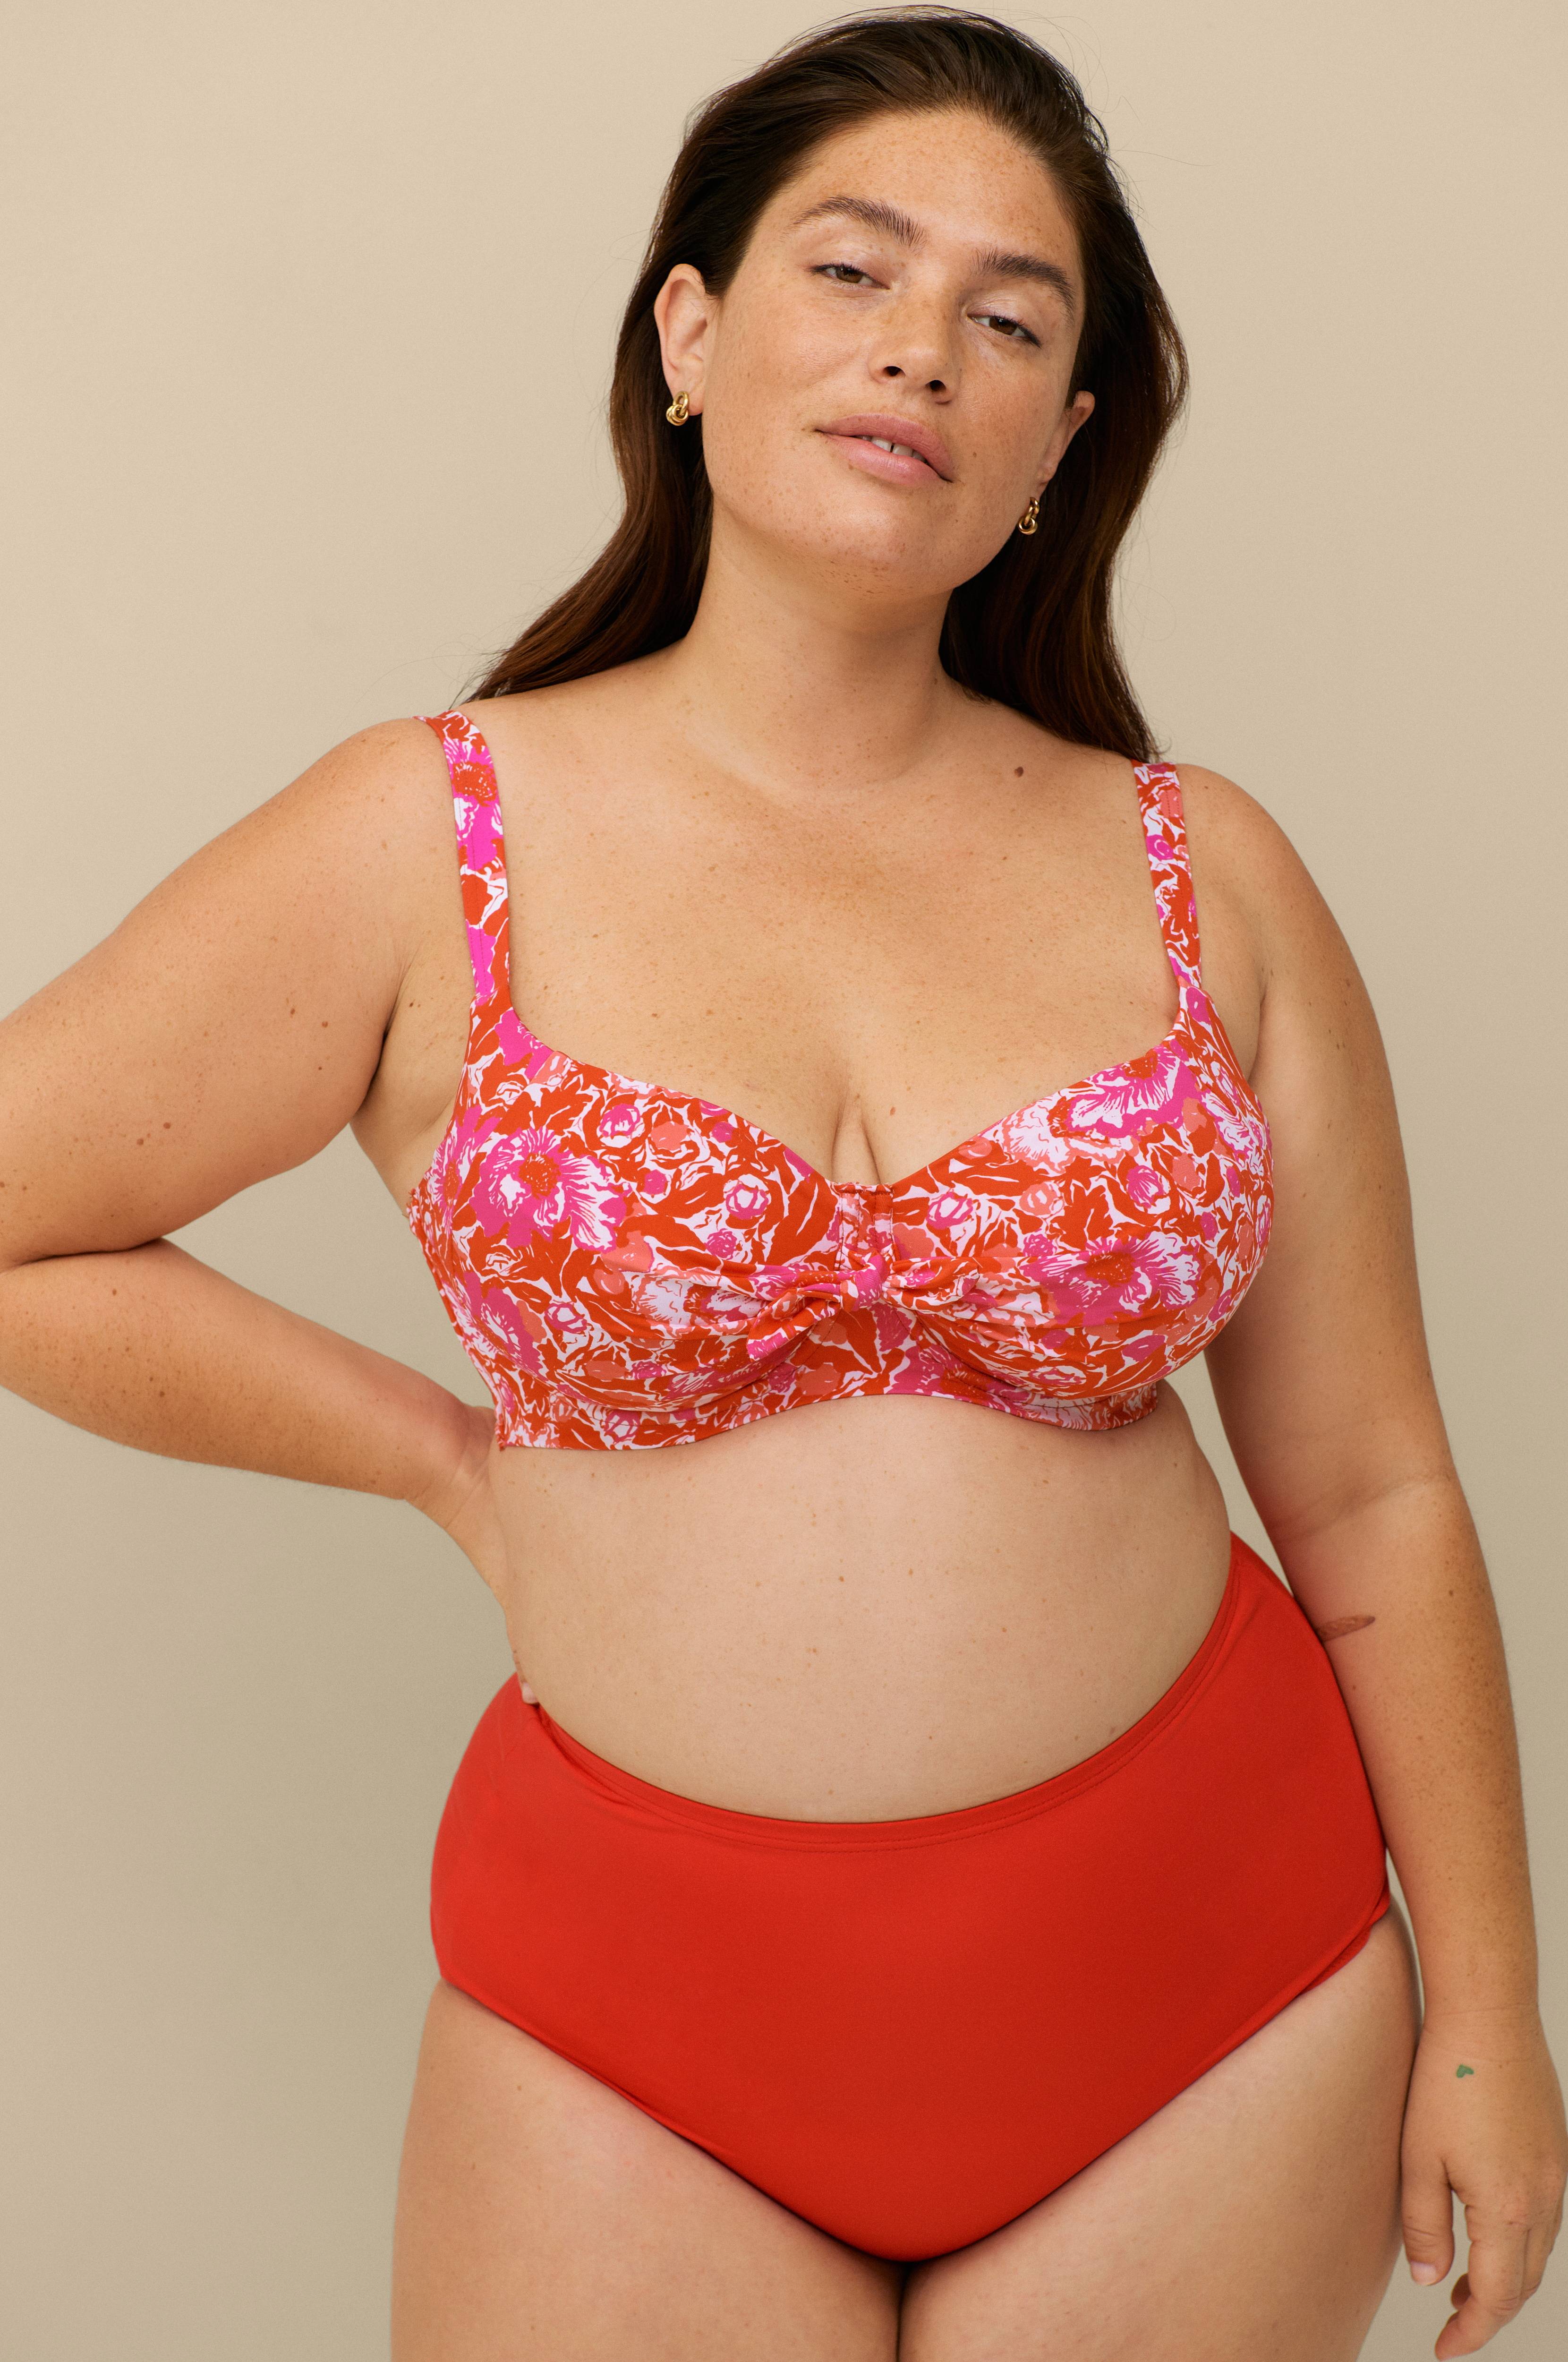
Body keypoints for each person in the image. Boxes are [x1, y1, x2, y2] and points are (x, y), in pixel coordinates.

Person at [1, 9, 1562, 2358]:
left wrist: (1488, 2013)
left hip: (1212, 1991)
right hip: (628, 2025)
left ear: (1055, 447)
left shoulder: (1203, 872)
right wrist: (440, 1456)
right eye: (850, 268)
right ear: (688, 334)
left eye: (1008, 322)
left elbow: (1373, 1496)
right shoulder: (430, 834)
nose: (920, 347)